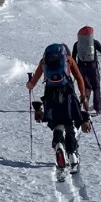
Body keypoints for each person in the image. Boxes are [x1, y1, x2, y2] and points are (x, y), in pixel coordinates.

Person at [28, 42, 91, 172]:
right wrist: (83, 96)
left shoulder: (44, 61)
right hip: (68, 93)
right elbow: (79, 79)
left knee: (57, 123)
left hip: (51, 95)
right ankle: (72, 152)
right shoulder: (69, 59)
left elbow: (33, 83)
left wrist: (29, 84)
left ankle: (58, 144)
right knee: (69, 123)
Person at [72, 26, 101, 112]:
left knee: (86, 86)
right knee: (96, 86)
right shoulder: (94, 42)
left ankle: (85, 105)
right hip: (93, 66)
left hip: (81, 67)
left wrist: (75, 68)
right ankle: (98, 108)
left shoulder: (77, 44)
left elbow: (73, 57)